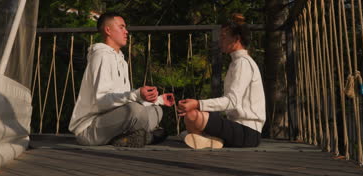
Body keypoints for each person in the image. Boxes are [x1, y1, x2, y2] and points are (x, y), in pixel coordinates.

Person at [69, 12, 174, 147]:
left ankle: (128, 137)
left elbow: (122, 98)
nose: (126, 31)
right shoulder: (101, 56)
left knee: (156, 110)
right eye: (121, 27)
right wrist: (136, 94)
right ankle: (146, 138)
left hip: (113, 121)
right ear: (108, 30)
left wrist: (157, 99)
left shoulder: (120, 59)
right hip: (89, 129)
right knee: (135, 111)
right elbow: (102, 101)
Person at [177, 13, 266, 149]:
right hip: (237, 128)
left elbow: (231, 101)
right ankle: (209, 140)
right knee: (190, 118)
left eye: (224, 37)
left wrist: (198, 104)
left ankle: (206, 138)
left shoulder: (243, 63)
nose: (220, 41)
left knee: (192, 117)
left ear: (236, 39)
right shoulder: (236, 62)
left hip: (248, 133)